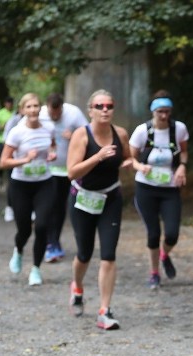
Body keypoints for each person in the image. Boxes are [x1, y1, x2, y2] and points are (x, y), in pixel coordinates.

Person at [65, 89, 130, 330]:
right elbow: (72, 172)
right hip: (82, 199)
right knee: (84, 252)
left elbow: (127, 156)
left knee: (109, 254)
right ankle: (77, 287)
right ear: (90, 110)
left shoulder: (120, 134)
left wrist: (130, 163)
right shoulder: (81, 136)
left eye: (109, 106)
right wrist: (98, 157)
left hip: (110, 198)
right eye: (100, 106)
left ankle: (105, 310)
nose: (105, 110)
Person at [129, 90, 189, 289]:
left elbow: (184, 152)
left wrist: (182, 166)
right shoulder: (142, 131)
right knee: (153, 233)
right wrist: (141, 167)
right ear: (153, 112)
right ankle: (154, 273)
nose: (164, 115)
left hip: (170, 188)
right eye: (160, 112)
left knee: (172, 233)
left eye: (167, 111)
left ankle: (165, 254)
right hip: (146, 188)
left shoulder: (178, 129)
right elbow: (133, 159)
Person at [0, 93, 57, 286]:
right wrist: (25, 160)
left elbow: (53, 145)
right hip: (21, 185)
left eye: (36, 106)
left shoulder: (48, 127)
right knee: (23, 229)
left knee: (41, 226)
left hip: (44, 182)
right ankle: (18, 250)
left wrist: (51, 154)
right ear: (22, 110)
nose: (33, 110)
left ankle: (36, 269)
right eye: (29, 107)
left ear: (40, 108)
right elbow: (4, 162)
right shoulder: (17, 132)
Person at [40, 93, 88, 263]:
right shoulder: (39, 115)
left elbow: (89, 134)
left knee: (59, 207)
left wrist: (75, 134)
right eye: (51, 113)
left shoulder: (73, 113)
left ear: (62, 107)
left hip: (67, 170)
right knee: (48, 206)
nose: (54, 117)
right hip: (45, 170)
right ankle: (48, 241)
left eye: (57, 114)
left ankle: (53, 241)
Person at [0, 96, 16, 220]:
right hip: (3, 142)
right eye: (7, 103)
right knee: (5, 167)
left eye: (11, 103)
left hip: (15, 146)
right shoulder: (0, 114)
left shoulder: (15, 114)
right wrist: (3, 126)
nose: (9, 105)